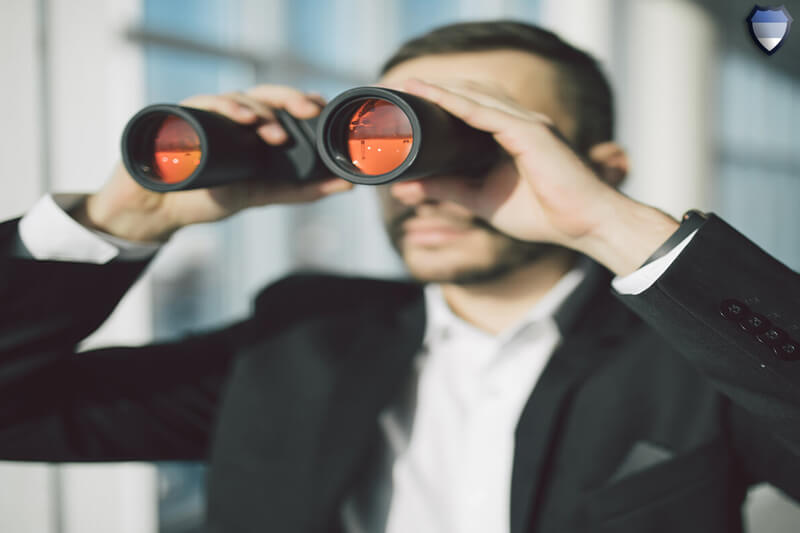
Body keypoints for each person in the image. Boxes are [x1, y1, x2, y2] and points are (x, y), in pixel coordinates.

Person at [1, 20, 799, 533]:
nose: (419, 184)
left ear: (599, 167)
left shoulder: (694, 359)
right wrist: (118, 218)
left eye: (475, 142)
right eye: (390, 138)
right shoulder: (302, 337)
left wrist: (611, 223)